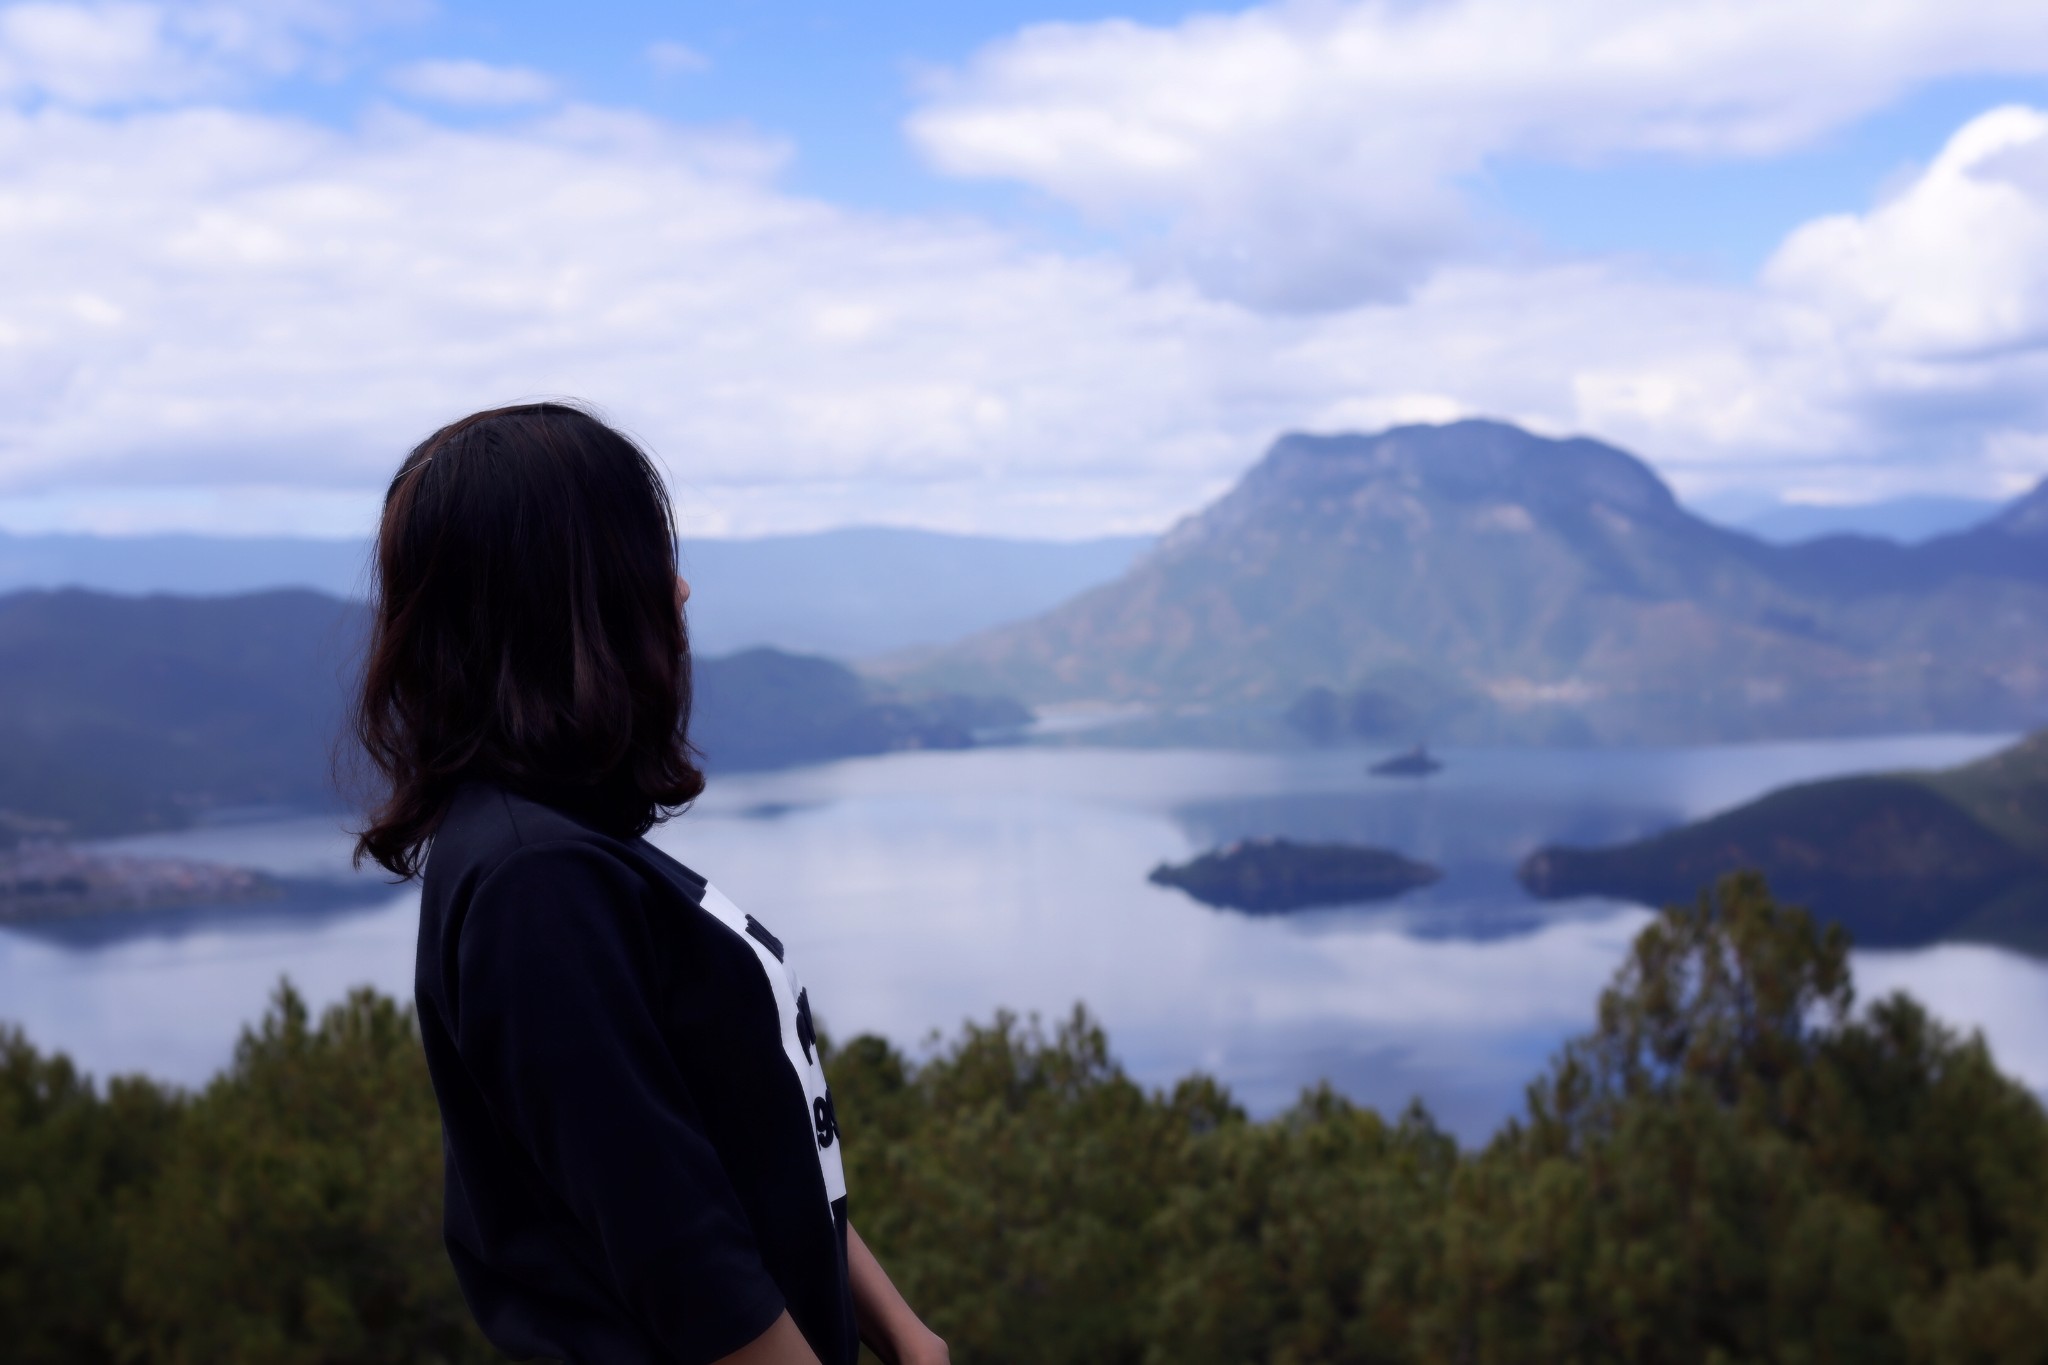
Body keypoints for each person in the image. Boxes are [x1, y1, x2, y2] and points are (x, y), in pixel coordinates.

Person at [352, 402, 947, 1365]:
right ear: (567, 600)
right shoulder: (534, 886)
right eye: (640, 560)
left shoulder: (564, 850)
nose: (676, 591)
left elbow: (752, 1158)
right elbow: (683, 1255)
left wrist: (906, 1335)